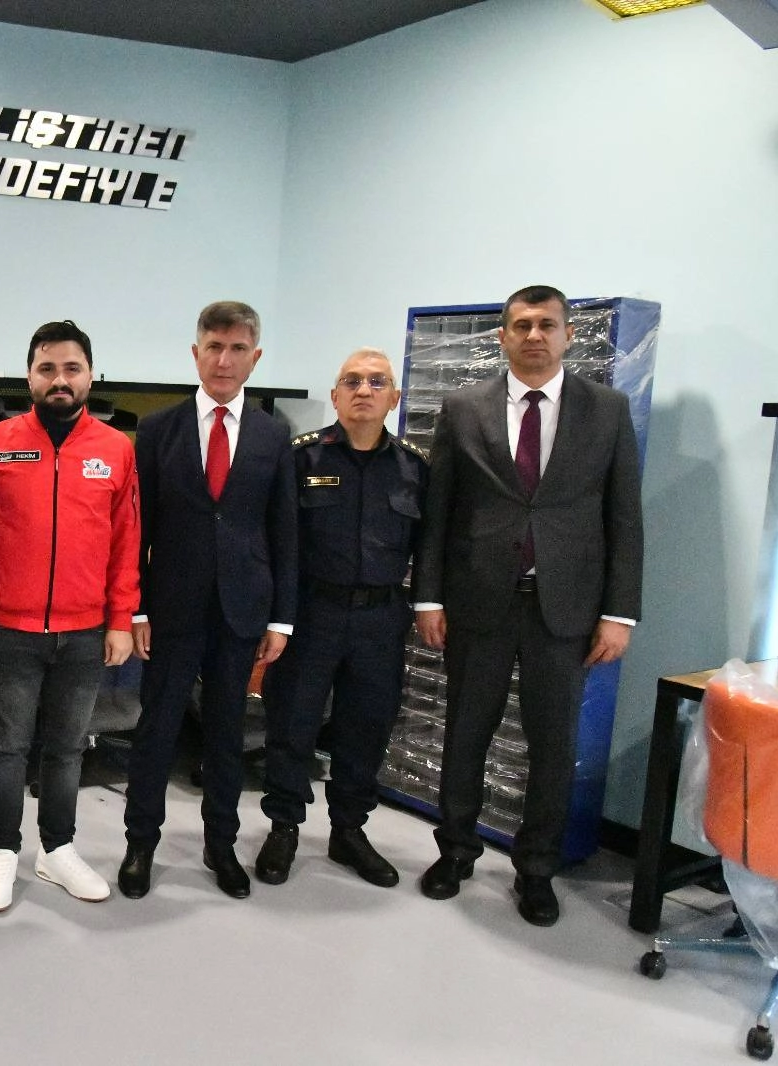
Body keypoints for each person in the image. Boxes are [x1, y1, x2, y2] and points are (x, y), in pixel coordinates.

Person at [412, 284, 643, 927]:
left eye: (546, 324)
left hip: (565, 610)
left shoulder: (606, 410)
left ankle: (536, 869)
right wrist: (427, 596)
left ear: (567, 335)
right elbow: (439, 513)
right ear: (503, 337)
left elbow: (624, 517)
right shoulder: (464, 408)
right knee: (466, 734)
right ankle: (455, 852)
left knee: (553, 745)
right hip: (477, 603)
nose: (534, 335)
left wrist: (619, 613)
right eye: (521, 325)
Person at [119, 301, 297, 900]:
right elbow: (137, 528)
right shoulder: (158, 430)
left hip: (242, 610)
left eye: (237, 349)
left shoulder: (274, 434)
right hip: (171, 609)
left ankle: (221, 844)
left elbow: (283, 530)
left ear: (255, 357)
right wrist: (137, 608)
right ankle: (140, 843)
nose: (224, 360)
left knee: (226, 734)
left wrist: (282, 619)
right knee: (157, 729)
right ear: (196, 354)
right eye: (214, 348)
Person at [0, 320, 140, 913]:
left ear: (90, 375)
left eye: (71, 368)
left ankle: (57, 849)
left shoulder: (116, 450)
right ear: (30, 377)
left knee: (67, 749)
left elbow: (126, 541)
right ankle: (2, 851)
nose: (59, 379)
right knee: (8, 747)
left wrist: (121, 619)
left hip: (85, 630)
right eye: (47, 369)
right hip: (11, 628)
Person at [255, 349, 428, 889]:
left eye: (377, 382)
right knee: (292, 724)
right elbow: (278, 545)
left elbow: (430, 549)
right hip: (312, 614)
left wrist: (428, 607)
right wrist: (277, 618)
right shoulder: (301, 458)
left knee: (366, 727)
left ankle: (348, 830)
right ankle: (284, 826)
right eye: (351, 381)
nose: (363, 390)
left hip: (381, 619)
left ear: (394, 398)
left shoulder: (415, 468)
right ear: (335, 396)